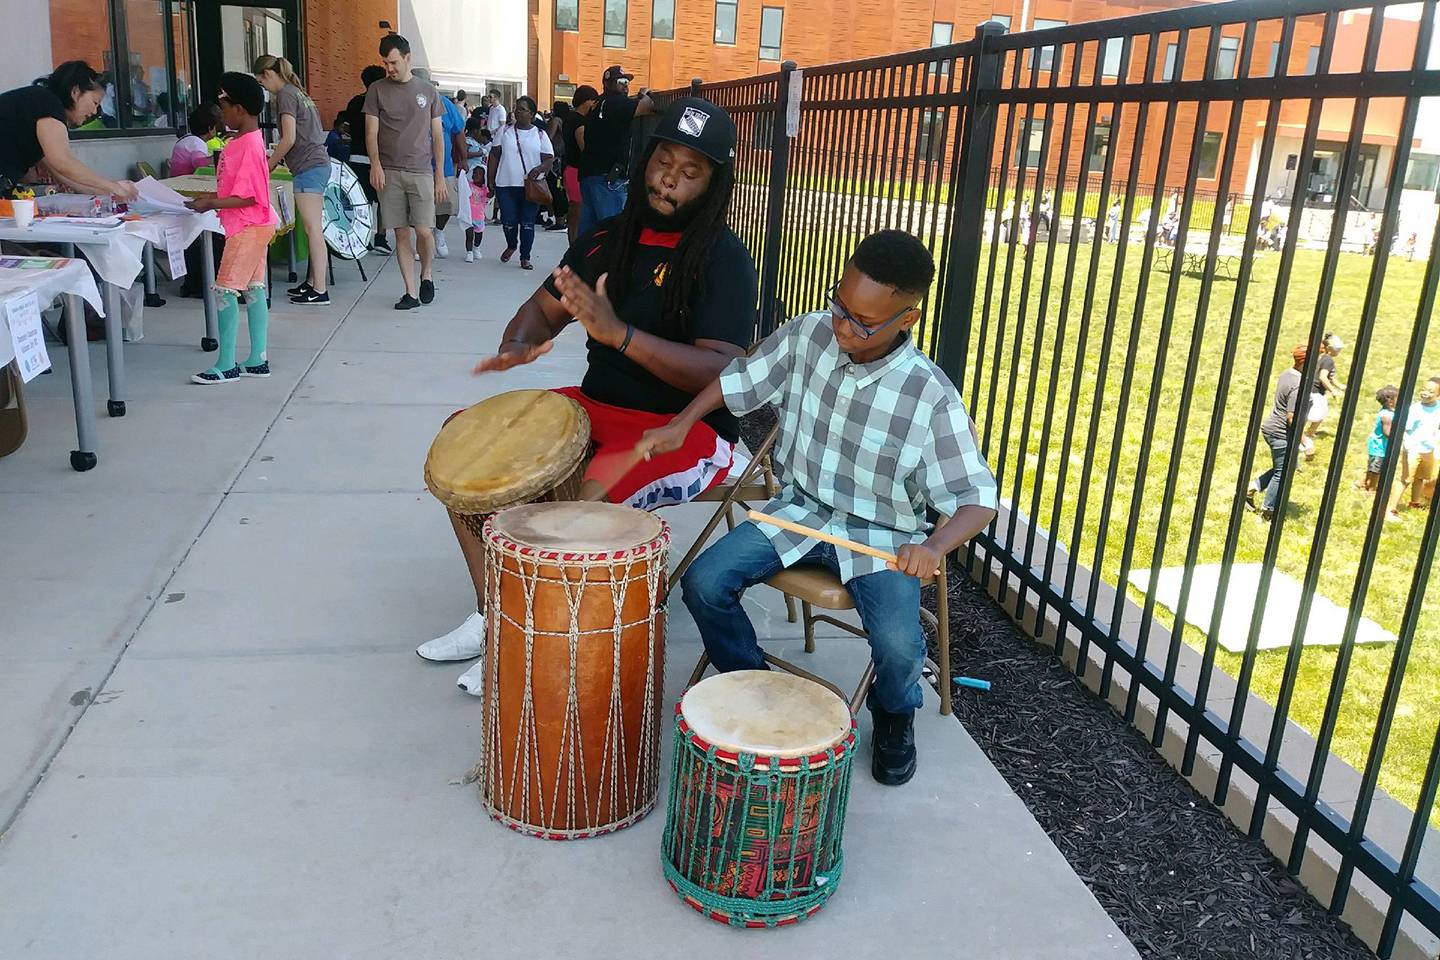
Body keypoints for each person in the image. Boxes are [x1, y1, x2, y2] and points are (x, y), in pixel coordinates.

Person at [418, 97, 758, 693]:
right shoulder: (607, 238)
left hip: (680, 428)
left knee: (585, 494)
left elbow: (722, 374)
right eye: (663, 159)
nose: (670, 177)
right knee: (466, 449)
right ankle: (493, 613)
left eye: (691, 169)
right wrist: (520, 343)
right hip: (595, 403)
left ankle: (532, 632)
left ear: (714, 182)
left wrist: (620, 335)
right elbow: (543, 311)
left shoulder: (722, 258)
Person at [638, 229, 999, 787]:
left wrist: (932, 547)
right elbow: (740, 380)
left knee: (900, 647)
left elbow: (977, 499)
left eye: (863, 321)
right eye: (840, 303)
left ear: (908, 319)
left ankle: (895, 711)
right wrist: (683, 422)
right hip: (798, 512)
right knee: (704, 583)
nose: (842, 325)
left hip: (881, 536)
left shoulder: (930, 397)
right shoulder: (809, 333)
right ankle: (753, 683)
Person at [183, 73, 276, 385]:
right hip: (254, 225)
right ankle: (257, 359)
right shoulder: (243, 142)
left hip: (247, 227)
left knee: (225, 290)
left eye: (223, 107)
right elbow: (237, 189)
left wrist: (210, 204)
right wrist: (209, 198)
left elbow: (250, 196)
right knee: (254, 288)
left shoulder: (247, 145)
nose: (221, 114)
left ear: (240, 109)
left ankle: (226, 363)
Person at [364, 34, 447, 310]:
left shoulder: (428, 91)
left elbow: (437, 136)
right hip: (389, 171)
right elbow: (371, 132)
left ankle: (426, 274)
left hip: (421, 170)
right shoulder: (376, 89)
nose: (389, 68)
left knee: (424, 230)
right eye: (386, 63)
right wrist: (375, 164)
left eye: (394, 62)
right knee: (400, 233)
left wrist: (439, 177)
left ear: (408, 58)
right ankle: (410, 292)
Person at [253, 55, 333, 307]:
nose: (264, 88)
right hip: (316, 163)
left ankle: (320, 289)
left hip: (308, 166)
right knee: (313, 229)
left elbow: (288, 138)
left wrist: (268, 165)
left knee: (313, 229)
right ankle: (312, 282)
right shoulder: (297, 92)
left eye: (261, 82)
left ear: (268, 74)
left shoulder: (286, 96)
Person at [0, 61, 137, 201]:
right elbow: (62, 161)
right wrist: (114, 188)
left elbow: (63, 175)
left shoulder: (38, 105)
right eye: (95, 102)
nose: (94, 111)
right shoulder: (48, 103)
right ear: (75, 92)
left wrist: (109, 193)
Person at [576, 66, 655, 235]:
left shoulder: (598, 103)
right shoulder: (615, 102)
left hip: (592, 175)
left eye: (627, 82)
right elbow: (646, 107)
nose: (626, 86)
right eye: (621, 82)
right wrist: (645, 95)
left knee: (589, 233)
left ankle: (581, 261)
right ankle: (604, 261)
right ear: (608, 83)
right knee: (611, 232)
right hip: (608, 178)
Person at [486, 95, 553, 271]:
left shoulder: (540, 134)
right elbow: (494, 155)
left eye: (522, 109)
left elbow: (549, 159)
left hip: (530, 186)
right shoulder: (504, 131)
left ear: (531, 114)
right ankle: (511, 245)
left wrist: (538, 170)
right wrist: (490, 179)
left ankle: (525, 257)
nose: (517, 111)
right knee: (508, 220)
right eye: (516, 108)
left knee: (527, 222)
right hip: (505, 184)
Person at [1247, 344, 1308, 522]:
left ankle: (1251, 488)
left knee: (1286, 468)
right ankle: (1268, 511)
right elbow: (1292, 417)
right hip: (1281, 433)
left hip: (1273, 428)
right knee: (1282, 472)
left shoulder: (1287, 374)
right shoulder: (1298, 385)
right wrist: (1305, 440)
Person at [343, 65, 389, 253]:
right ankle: (380, 236)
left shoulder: (355, 102)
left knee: (362, 201)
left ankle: (363, 237)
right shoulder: (382, 102)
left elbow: (345, 126)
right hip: (378, 158)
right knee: (383, 201)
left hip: (356, 156)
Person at [1389, 376, 1440, 520]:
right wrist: (1408, 446)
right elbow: (1405, 429)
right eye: (1423, 389)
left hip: (1429, 449)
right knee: (1405, 479)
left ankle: (1415, 502)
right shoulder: (1415, 409)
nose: (1425, 393)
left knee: (1420, 477)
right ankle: (1390, 509)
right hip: (1413, 448)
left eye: (1430, 391)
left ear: (1438, 395)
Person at [563, 85, 599, 245]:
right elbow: (585, 147)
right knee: (577, 214)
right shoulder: (579, 122)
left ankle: (573, 248)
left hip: (570, 170)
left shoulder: (570, 118)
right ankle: (575, 250)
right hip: (577, 172)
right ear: (588, 101)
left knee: (574, 214)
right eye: (594, 101)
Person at [1302, 332, 1346, 460]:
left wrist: (1340, 386)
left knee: (1319, 413)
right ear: (1332, 349)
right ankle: (1308, 434)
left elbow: (1330, 377)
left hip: (1312, 390)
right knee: (1318, 414)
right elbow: (1323, 377)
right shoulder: (1329, 361)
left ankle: (1308, 433)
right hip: (1316, 392)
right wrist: (1333, 391)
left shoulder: (1323, 357)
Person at [1359, 385, 1398, 494]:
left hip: (1377, 446)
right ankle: (1371, 488)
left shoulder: (1387, 411)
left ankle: (1364, 483)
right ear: (1390, 402)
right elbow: (1387, 433)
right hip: (1379, 447)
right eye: (1397, 398)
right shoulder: (1387, 416)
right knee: (1376, 470)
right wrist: (1399, 435)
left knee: (1372, 467)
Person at [171, 102, 221, 177]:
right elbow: (199, 165)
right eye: (215, 127)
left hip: (176, 179)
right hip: (186, 182)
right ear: (210, 128)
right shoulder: (198, 143)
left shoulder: (186, 139)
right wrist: (216, 158)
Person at [464, 162, 488, 263]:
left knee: (478, 236)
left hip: (479, 217)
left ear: (483, 177)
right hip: (468, 216)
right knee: (469, 235)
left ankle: (476, 248)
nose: (475, 176)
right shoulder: (468, 185)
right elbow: (461, 187)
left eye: (479, 174)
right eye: (474, 173)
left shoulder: (485, 189)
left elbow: (490, 195)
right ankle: (469, 252)